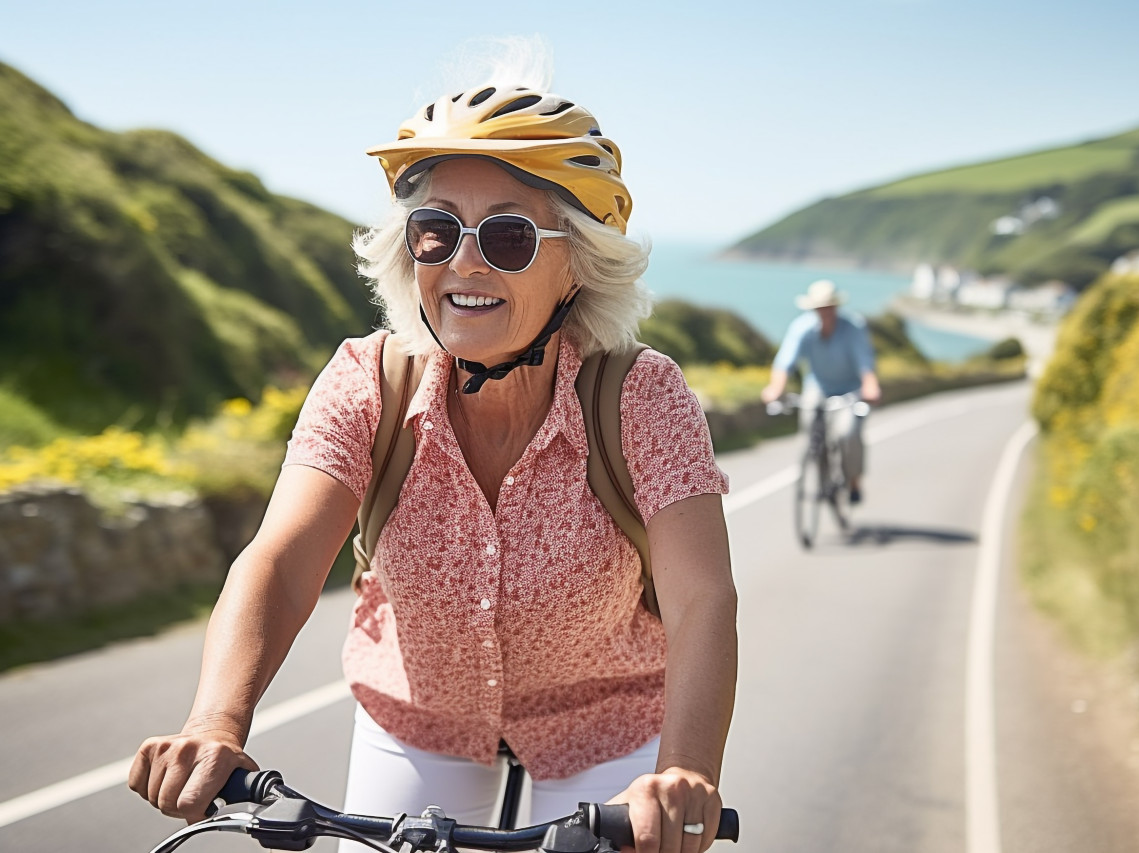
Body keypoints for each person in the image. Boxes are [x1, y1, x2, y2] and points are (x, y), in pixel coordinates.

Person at [128, 73, 738, 853]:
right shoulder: (367, 382)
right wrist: (215, 720)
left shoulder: (642, 395)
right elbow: (280, 564)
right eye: (436, 231)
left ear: (578, 264)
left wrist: (683, 772)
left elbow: (702, 600)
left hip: (609, 727)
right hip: (420, 719)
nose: (465, 264)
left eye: (510, 236)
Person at [761, 279, 881, 503]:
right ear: (813, 308)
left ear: (836, 306)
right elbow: (785, 362)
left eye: (828, 306)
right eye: (819, 307)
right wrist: (776, 388)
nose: (824, 311)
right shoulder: (802, 328)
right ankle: (824, 480)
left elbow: (865, 362)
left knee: (848, 433)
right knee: (811, 435)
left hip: (850, 390)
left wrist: (871, 386)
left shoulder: (853, 327)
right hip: (818, 386)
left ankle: (853, 480)